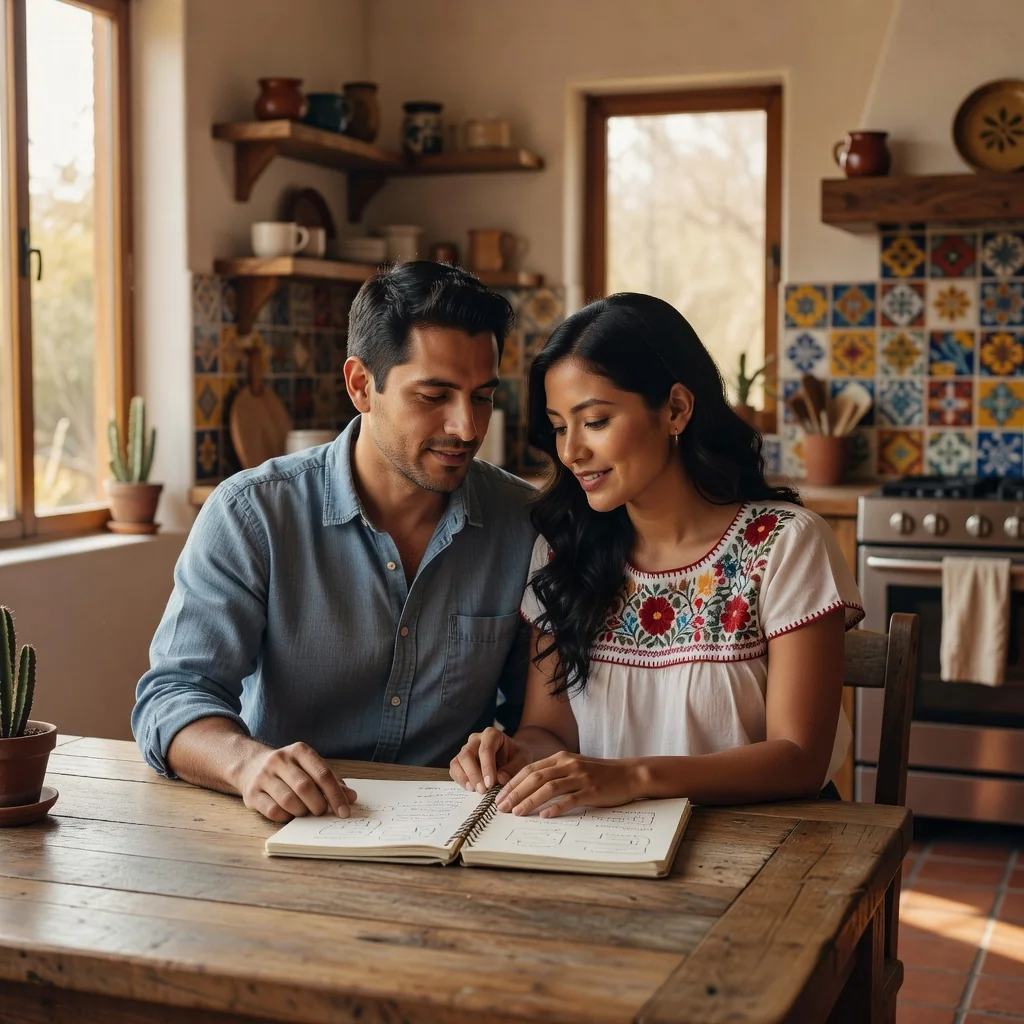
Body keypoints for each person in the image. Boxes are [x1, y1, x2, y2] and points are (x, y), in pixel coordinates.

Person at [134, 262, 537, 822]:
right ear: (359, 385)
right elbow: (172, 696)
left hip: (451, 831)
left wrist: (510, 747)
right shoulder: (254, 514)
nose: (467, 427)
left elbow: (539, 717)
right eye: (434, 395)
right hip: (284, 829)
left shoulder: (524, 524)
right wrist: (248, 764)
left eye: (482, 397)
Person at [450, 293, 863, 817]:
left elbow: (799, 759)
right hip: (612, 847)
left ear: (675, 409)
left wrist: (634, 776)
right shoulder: (564, 550)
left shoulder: (783, 544)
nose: (571, 451)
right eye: (559, 426)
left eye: (594, 421)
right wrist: (516, 756)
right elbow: (549, 730)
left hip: (765, 847)